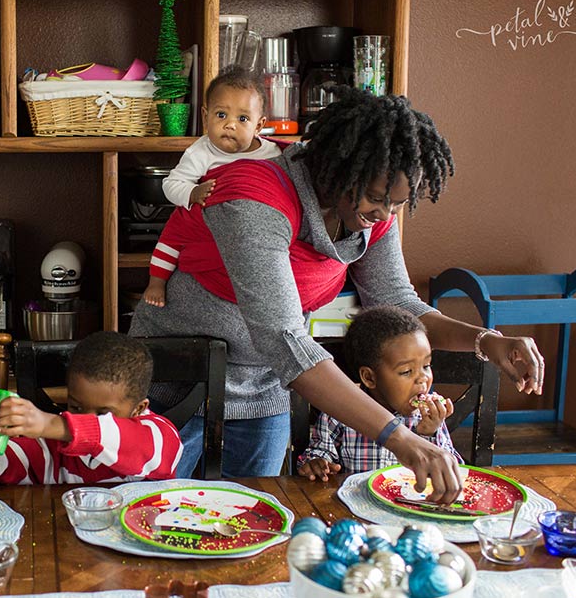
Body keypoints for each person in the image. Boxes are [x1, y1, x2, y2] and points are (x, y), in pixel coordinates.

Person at [130, 87, 545, 502]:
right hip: (176, 386)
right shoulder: (254, 194)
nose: (385, 214)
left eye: (398, 204)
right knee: (152, 514)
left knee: (240, 521)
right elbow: (285, 338)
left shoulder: (372, 216)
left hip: (264, 390)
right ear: (340, 172)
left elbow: (399, 302)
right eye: (378, 199)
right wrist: (400, 438)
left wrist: (488, 341)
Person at [143, 65, 282, 308]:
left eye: (242, 119)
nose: (230, 125)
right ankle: (157, 281)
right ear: (206, 116)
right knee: (174, 231)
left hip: (252, 220)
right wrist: (192, 192)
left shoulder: (273, 153)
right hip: (207, 216)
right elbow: (172, 183)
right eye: (221, 115)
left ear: (259, 126)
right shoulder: (202, 150)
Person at [0, 331, 181, 484]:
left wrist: (51, 424)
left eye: (103, 413)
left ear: (138, 408)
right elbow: (3, 467)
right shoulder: (55, 443)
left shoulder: (159, 436)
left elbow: (141, 447)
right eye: (76, 407)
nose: (85, 417)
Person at [298, 306, 463, 480]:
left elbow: (454, 470)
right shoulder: (340, 411)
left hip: (409, 503)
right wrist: (317, 463)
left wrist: (429, 435)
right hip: (353, 503)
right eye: (407, 371)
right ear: (369, 377)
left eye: (426, 366)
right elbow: (319, 451)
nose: (423, 378)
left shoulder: (428, 418)